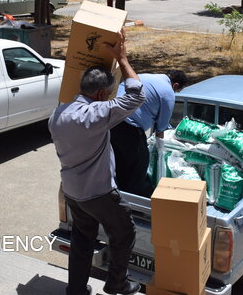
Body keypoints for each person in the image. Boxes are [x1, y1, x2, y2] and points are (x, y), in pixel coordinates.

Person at [49, 30, 144, 295]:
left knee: (82, 240)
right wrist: (123, 60)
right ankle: (117, 284)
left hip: (72, 192)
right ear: (102, 94)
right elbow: (137, 95)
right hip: (98, 193)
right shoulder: (95, 114)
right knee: (124, 232)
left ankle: (76, 289)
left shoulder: (57, 114)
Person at [110, 71, 188, 197]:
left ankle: (120, 193)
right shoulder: (168, 92)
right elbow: (161, 127)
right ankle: (139, 202)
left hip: (110, 120)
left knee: (119, 161)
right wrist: (160, 147)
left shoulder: (144, 76)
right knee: (140, 164)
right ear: (176, 85)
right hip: (129, 127)